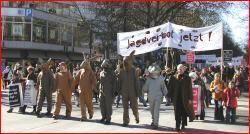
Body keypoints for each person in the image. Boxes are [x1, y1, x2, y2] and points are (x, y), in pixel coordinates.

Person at [167, 64, 194, 131]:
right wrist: (168, 96)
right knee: (177, 112)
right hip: (176, 98)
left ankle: (183, 124)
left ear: (184, 70)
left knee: (184, 112)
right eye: (179, 69)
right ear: (177, 69)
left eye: (182, 69)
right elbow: (170, 88)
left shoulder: (187, 78)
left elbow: (189, 89)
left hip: (184, 98)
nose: (180, 70)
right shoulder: (173, 77)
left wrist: (190, 98)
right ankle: (177, 126)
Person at [118, 50, 140, 127]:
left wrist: (138, 93)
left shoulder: (134, 70)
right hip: (124, 92)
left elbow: (137, 82)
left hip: (132, 92)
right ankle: (125, 121)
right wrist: (118, 91)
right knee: (125, 108)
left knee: (134, 107)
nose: (125, 64)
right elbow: (119, 82)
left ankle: (136, 116)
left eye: (126, 62)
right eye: (124, 62)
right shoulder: (121, 71)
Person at [142, 64, 167, 129]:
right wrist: (143, 91)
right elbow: (145, 88)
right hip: (150, 97)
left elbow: (163, 87)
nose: (154, 73)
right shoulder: (148, 79)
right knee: (152, 110)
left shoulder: (161, 78)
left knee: (156, 110)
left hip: (158, 97)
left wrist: (166, 94)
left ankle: (156, 123)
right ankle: (153, 120)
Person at [73, 56, 97, 121]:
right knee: (82, 104)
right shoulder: (81, 71)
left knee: (89, 103)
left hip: (88, 91)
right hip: (81, 90)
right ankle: (83, 116)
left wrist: (93, 88)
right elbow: (76, 79)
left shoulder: (90, 72)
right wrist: (74, 86)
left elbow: (94, 81)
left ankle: (91, 113)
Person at [99, 59, 117, 124]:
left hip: (109, 92)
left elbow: (115, 83)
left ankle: (108, 118)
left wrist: (114, 92)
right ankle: (103, 116)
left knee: (108, 106)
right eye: (103, 65)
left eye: (105, 65)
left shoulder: (112, 73)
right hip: (102, 92)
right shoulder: (101, 73)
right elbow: (100, 82)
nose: (104, 67)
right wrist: (99, 89)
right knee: (102, 105)